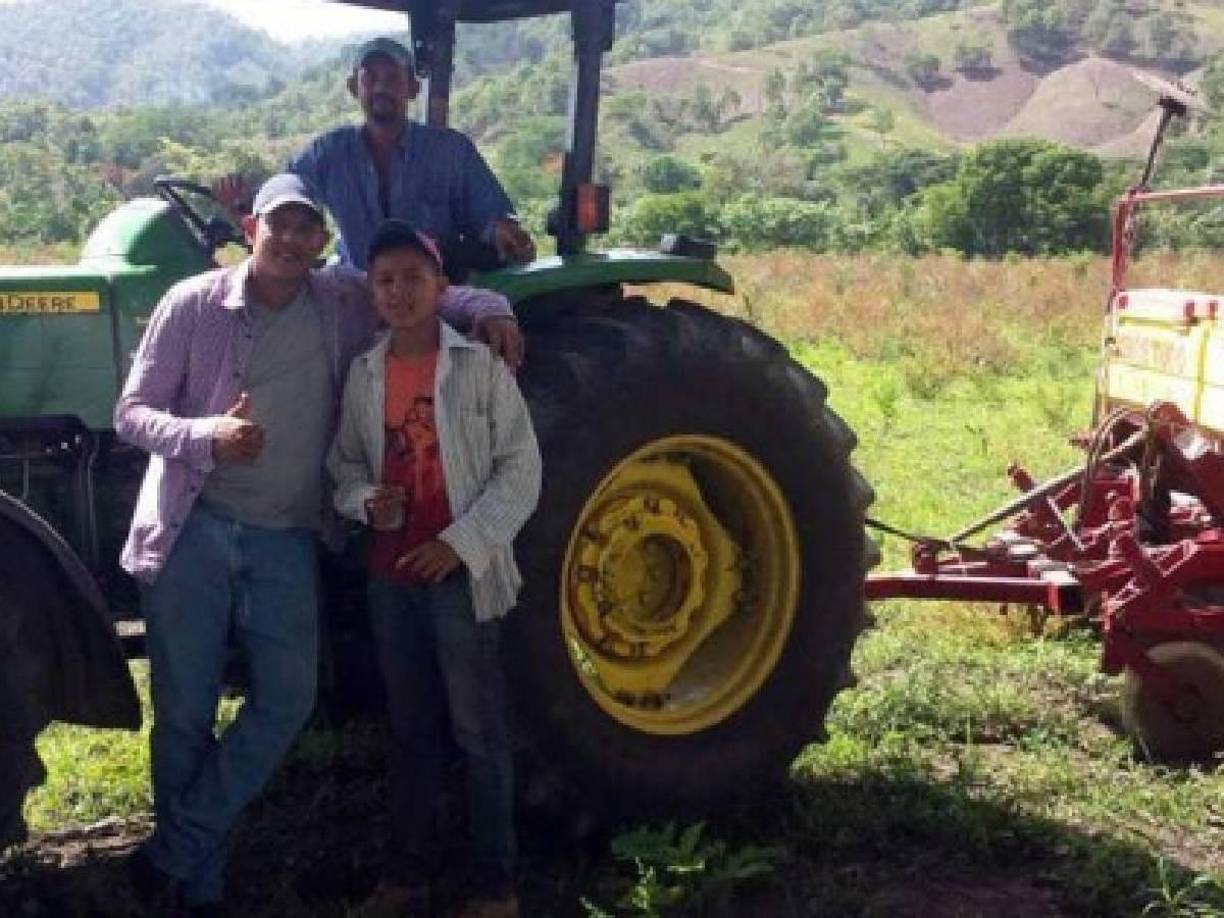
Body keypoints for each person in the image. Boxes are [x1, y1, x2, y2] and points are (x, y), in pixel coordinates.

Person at [114, 174, 515, 916]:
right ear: (250, 227)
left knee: (288, 699)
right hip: (193, 526)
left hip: (285, 536)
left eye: (308, 229)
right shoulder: (191, 303)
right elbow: (131, 413)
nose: (293, 240)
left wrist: (491, 306)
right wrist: (205, 434)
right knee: (184, 715)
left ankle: (172, 851)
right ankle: (194, 889)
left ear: (322, 242)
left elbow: (422, 290)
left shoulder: (338, 298)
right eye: (281, 225)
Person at [328, 219, 541, 918]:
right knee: (411, 727)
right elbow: (343, 467)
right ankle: (408, 875)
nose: (400, 292)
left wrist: (461, 543)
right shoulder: (364, 374)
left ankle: (495, 887)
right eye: (385, 280)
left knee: (479, 732)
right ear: (372, 292)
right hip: (391, 577)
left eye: (414, 278)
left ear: (441, 286)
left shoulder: (479, 366)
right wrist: (365, 499)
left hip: (460, 577)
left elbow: (521, 470)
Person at [218, 36, 534, 272]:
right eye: (370, 78)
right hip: (355, 292)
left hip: (433, 292)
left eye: (392, 78)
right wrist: (246, 205)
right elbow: (288, 191)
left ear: (412, 88)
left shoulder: (451, 150)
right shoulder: (329, 152)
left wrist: (503, 231)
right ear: (354, 87)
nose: (381, 87)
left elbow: (490, 215)